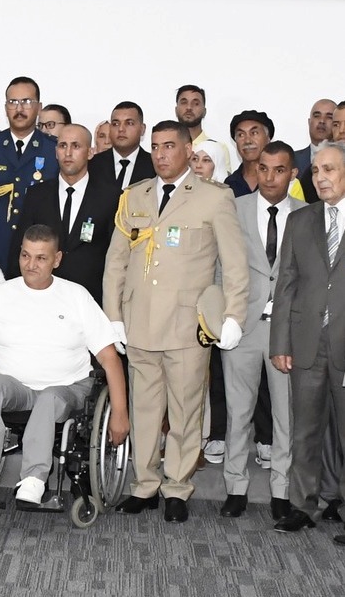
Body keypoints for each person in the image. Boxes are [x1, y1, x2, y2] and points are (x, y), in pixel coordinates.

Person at [105, 120, 248, 523]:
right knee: (145, 407)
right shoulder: (135, 196)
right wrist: (113, 316)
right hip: (139, 320)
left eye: (170, 146)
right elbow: (116, 261)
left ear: (188, 150)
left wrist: (234, 314)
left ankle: (177, 489)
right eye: (156, 147)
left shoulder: (213, 198)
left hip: (188, 324)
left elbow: (234, 264)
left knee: (186, 411)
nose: (162, 154)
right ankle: (145, 485)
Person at [0, 224, 129, 505]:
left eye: (41, 258)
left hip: (68, 388)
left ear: (57, 259)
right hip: (16, 389)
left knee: (49, 398)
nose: (31, 264)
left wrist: (120, 414)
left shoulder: (76, 296)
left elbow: (110, 359)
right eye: (25, 256)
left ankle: (34, 479)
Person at [218, 141, 301, 521]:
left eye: (279, 170)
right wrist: (224, 319)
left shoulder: (307, 215)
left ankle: (281, 490)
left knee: (286, 415)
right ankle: (235, 486)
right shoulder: (235, 208)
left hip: (287, 331)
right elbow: (220, 267)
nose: (270, 177)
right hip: (242, 327)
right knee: (239, 412)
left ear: (292, 173)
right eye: (264, 168)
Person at [271, 141, 345, 538]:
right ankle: (303, 506)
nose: (321, 178)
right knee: (304, 431)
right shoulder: (300, 221)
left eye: (329, 170)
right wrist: (280, 343)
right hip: (305, 343)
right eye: (316, 171)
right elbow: (286, 284)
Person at [0, 76, 59, 302]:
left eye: (27, 102)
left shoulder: (54, 150)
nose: (19, 108)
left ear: (39, 106)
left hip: (40, 268)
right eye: (12, 102)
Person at [7, 124, 120, 306]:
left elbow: (115, 256)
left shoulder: (110, 197)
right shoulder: (37, 194)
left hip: (90, 302)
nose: (68, 153)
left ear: (90, 152)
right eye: (62, 146)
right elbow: (19, 249)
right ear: (55, 152)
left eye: (76, 146)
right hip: (41, 300)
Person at [88, 102, 155, 190]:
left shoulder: (154, 165)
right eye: (116, 124)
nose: (121, 129)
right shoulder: (91, 165)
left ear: (142, 129)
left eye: (129, 123)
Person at [175, 84, 232, 173]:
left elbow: (223, 183)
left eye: (196, 103)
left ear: (204, 111)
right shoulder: (166, 147)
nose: (189, 107)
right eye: (184, 102)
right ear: (176, 110)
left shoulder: (218, 148)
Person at [225, 110, 276, 196]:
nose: (247, 141)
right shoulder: (228, 185)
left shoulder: (284, 180)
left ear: (268, 138)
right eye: (241, 135)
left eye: (254, 133)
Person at [293, 99, 337, 175]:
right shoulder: (292, 159)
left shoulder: (342, 159)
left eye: (329, 117)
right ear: (309, 122)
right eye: (317, 116)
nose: (322, 121)